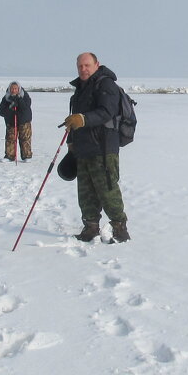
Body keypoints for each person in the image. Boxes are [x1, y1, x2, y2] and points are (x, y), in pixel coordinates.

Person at [60, 52, 129, 242]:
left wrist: (83, 119)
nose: (83, 69)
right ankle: (90, 228)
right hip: (83, 149)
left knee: (107, 190)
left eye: (87, 65)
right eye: (80, 66)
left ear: (96, 64)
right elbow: (76, 119)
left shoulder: (106, 85)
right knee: (86, 192)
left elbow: (106, 112)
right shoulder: (81, 88)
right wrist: (71, 142)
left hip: (103, 148)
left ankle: (120, 228)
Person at [0, 81, 32, 161]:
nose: (13, 90)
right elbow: (0, 111)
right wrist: (10, 106)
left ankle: (27, 156)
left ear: (18, 89)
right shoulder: (6, 98)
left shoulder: (24, 96)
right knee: (10, 139)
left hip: (24, 120)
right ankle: (9, 156)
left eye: (15, 88)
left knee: (25, 139)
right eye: (12, 88)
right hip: (11, 121)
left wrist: (19, 100)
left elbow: (25, 107)